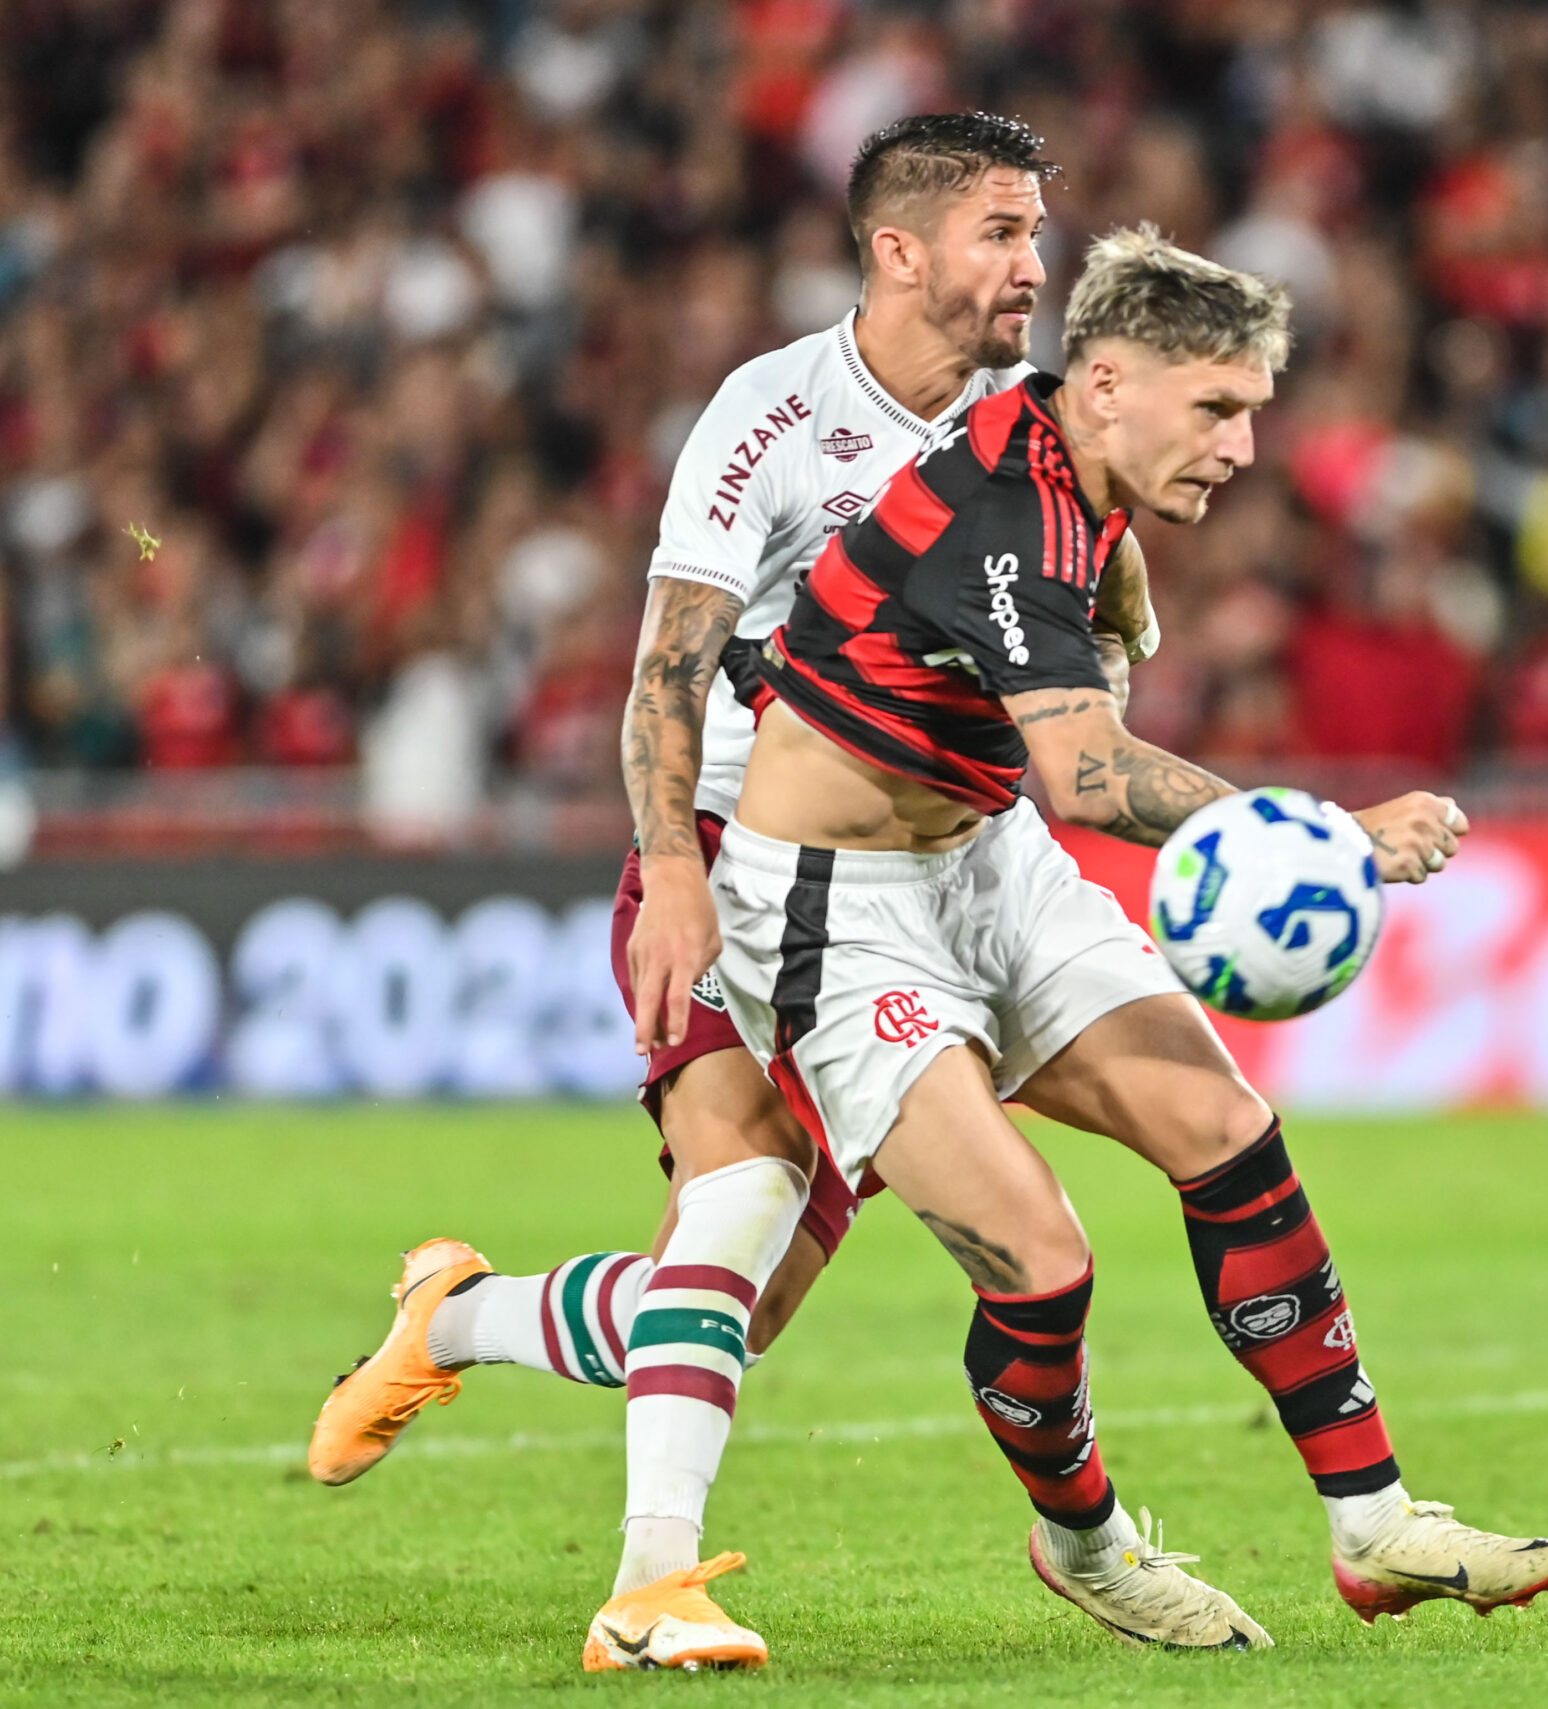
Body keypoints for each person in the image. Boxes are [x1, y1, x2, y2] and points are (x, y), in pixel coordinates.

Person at [305, 114, 1160, 1657]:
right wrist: (670, 871)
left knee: (724, 1300)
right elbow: (667, 670)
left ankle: (460, 1315)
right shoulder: (772, 418)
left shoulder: (1028, 427)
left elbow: (1090, 611)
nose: (1037, 265)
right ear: (899, 250)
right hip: (734, 856)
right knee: (742, 1190)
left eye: (1038, 233)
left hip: (901, 894)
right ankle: (651, 1585)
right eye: (1003, 233)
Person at [687, 226, 1548, 1659]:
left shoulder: (1068, 464)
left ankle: (1375, 1524)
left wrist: (1118, 588)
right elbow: (1091, 778)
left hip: (984, 857)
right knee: (1039, 1261)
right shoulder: (1013, 516)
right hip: (834, 908)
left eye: (1252, 412)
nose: (1241, 447)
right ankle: (1087, 1542)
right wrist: (1330, 836)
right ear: (1105, 385)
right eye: (1214, 408)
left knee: (1229, 1130)